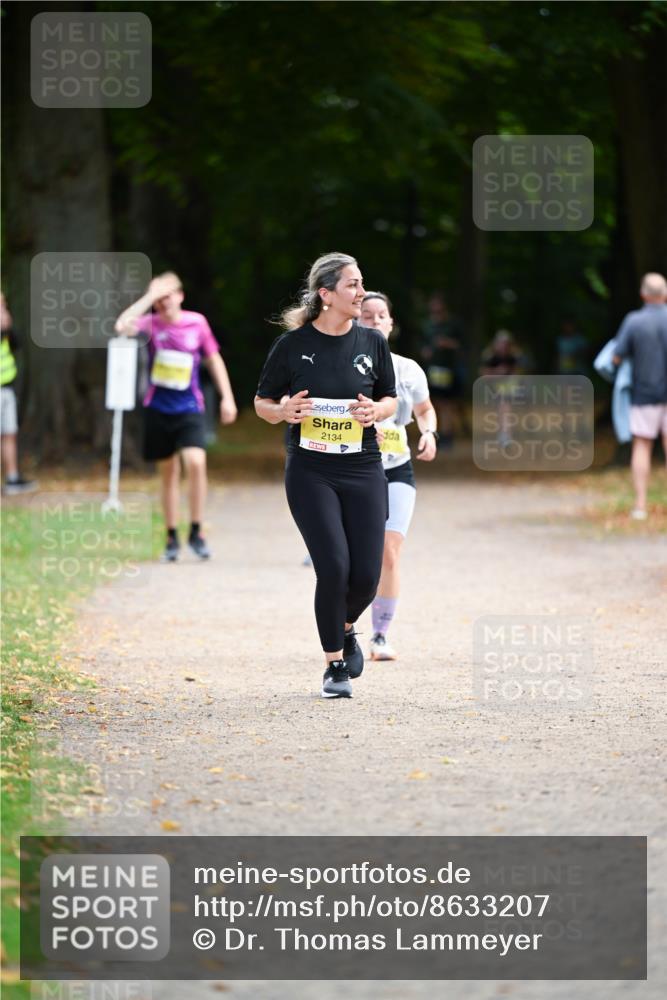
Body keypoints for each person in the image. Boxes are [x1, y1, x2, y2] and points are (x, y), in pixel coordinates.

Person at [254, 252, 397, 698]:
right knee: (333, 566)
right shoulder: (293, 346)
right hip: (311, 471)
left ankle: (347, 625)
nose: (360, 293)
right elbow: (262, 403)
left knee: (367, 576)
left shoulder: (372, 343)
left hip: (362, 467)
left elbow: (389, 398)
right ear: (326, 294)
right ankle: (334, 665)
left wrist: (376, 410)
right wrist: (282, 411)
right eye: (352, 285)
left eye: (361, 283)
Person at [115, 272, 238, 560]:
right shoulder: (150, 323)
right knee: (168, 473)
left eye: (168, 295)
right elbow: (121, 326)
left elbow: (214, 359)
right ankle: (171, 536)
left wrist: (227, 397)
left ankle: (196, 530)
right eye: (158, 298)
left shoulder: (197, 323)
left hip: (189, 407)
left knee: (195, 462)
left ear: (180, 296)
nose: (163, 302)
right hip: (158, 408)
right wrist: (148, 296)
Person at [360, 292, 438, 661]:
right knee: (358, 557)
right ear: (355, 322)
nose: (374, 321)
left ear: (391, 324)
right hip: (355, 469)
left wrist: (428, 431)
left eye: (381, 316)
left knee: (390, 552)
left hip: (397, 468)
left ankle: (379, 636)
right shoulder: (345, 366)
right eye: (367, 316)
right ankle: (344, 627)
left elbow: (424, 408)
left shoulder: (408, 369)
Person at [612, 272, 667, 520]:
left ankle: (641, 505)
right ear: (664, 294)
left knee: (642, 446)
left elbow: (616, 357)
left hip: (644, 394)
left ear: (643, 294)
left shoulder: (633, 321)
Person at [1, 292, 38, 496]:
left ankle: (12, 478)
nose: (3, 309)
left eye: (4, 304)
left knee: (9, 434)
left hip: (6, 388)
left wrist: (7, 328)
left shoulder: (4, 326)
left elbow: (16, 345)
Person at [420, 293, 464, 448]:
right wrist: (426, 352)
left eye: (438, 305)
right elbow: (423, 347)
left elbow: (462, 346)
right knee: (434, 403)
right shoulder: (427, 326)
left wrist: (447, 343)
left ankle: (447, 437)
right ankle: (435, 435)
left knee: (447, 404)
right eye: (433, 305)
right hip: (432, 370)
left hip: (448, 369)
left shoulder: (452, 324)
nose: (435, 309)